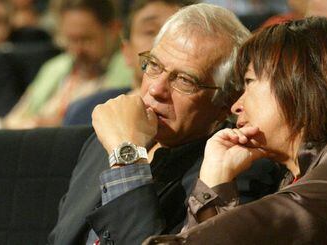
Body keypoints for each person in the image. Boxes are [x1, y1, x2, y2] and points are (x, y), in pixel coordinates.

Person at [48, 4, 281, 245]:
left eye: (184, 80)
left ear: (226, 102)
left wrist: (127, 158)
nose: (156, 89)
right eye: (154, 66)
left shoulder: (235, 171)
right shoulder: (106, 138)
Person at [144, 17, 327, 244]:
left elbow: (287, 217)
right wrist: (216, 181)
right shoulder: (294, 176)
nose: (236, 106)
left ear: (299, 84)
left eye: (249, 81)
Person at [63, 0, 192, 126]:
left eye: (177, 32)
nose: (164, 41)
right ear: (126, 51)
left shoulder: (200, 127)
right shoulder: (85, 113)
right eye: (151, 31)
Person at [3, 0, 119, 129]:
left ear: (113, 29)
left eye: (86, 39)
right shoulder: (55, 67)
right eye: (71, 40)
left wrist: (57, 125)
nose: (77, 50)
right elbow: (13, 118)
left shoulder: (127, 69)